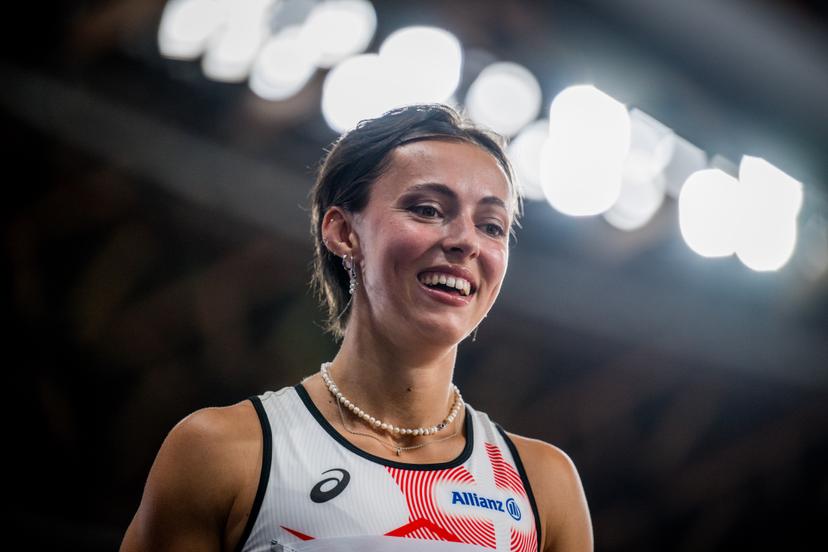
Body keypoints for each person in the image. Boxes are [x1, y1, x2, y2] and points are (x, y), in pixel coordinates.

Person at [121, 104, 593, 552]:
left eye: (492, 225)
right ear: (343, 232)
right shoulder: (223, 452)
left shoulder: (544, 486)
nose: (465, 241)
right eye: (428, 209)